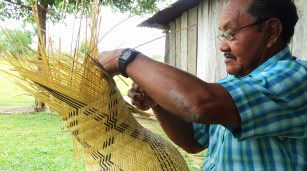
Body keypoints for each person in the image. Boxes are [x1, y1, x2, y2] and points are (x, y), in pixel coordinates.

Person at [99, 0, 307, 170]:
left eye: (231, 33)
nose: (222, 46)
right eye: (222, 34)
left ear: (271, 31)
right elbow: (192, 141)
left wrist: (124, 58)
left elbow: (199, 105)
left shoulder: (297, 77)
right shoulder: (232, 83)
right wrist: (157, 101)